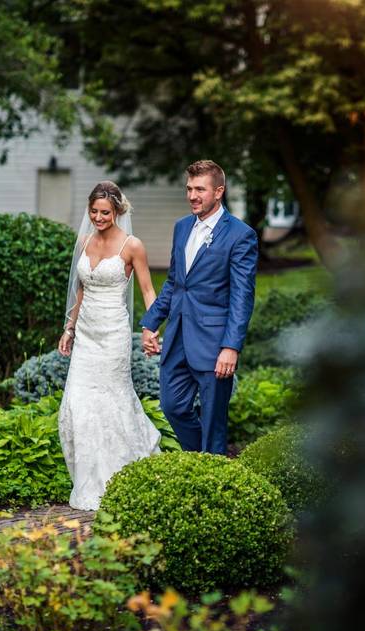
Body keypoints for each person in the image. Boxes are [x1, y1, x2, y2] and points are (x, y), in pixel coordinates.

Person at [140, 160, 258, 454]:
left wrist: (231, 346)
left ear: (219, 192)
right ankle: (198, 460)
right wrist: (151, 322)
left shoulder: (241, 235)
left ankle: (214, 476)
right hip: (179, 336)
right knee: (172, 406)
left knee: (213, 419)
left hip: (214, 342)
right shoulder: (182, 228)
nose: (193, 195)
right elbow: (174, 282)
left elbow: (242, 297)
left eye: (200, 190)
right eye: (189, 189)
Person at [58, 181, 162, 510]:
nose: (99, 217)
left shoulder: (133, 246)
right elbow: (81, 291)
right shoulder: (85, 241)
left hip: (114, 333)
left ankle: (126, 473)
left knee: (112, 401)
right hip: (86, 334)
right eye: (94, 211)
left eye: (105, 212)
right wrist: (69, 328)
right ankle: (90, 479)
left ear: (117, 211)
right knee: (78, 404)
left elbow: (147, 290)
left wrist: (151, 327)